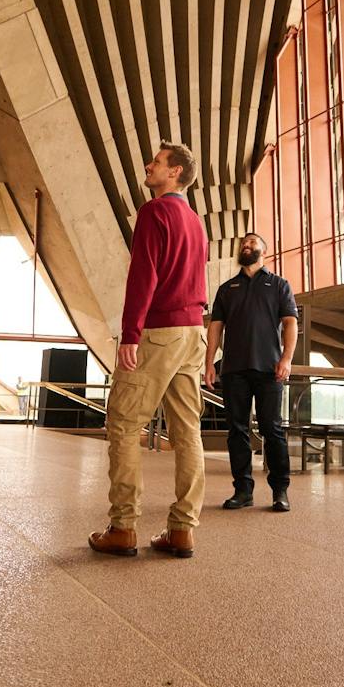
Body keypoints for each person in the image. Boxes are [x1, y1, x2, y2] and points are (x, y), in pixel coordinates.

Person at [89, 142, 210, 559]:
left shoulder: (154, 211)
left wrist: (131, 334)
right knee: (187, 431)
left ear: (174, 172)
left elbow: (144, 275)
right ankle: (183, 530)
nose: (149, 165)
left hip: (159, 331)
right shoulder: (196, 222)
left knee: (123, 423)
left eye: (157, 162)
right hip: (193, 333)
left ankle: (123, 527)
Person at [206, 231, 298, 512]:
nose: (247, 245)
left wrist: (286, 359)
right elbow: (215, 327)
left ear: (264, 252)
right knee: (237, 430)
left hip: (270, 369)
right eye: (244, 243)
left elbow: (290, 323)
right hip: (234, 370)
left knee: (272, 429)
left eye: (253, 242)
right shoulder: (227, 288)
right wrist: (209, 363)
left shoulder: (279, 285)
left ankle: (280, 491)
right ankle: (243, 490)